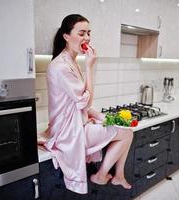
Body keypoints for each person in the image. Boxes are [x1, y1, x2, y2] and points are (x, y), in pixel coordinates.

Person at [44, 14, 133, 194]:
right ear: (66, 36)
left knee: (121, 128)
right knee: (127, 133)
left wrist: (106, 117)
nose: (87, 38)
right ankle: (102, 175)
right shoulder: (61, 66)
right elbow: (86, 100)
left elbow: (81, 104)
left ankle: (119, 176)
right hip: (69, 133)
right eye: (82, 33)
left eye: (88, 33)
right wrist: (90, 67)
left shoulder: (70, 61)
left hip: (76, 124)